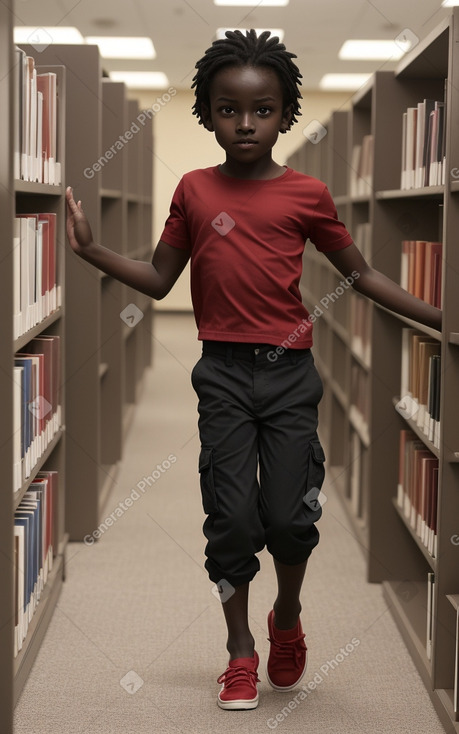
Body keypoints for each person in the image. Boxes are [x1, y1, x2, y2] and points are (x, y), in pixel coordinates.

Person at [66, 29, 442, 712]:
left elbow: (359, 275)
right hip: (223, 376)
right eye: (228, 110)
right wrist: (92, 252)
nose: (245, 124)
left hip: (290, 374)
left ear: (285, 113)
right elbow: (157, 279)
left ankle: (287, 618)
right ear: (207, 113)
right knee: (232, 518)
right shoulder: (193, 190)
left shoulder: (307, 193)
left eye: (262, 110)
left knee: (290, 517)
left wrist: (440, 320)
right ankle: (239, 650)